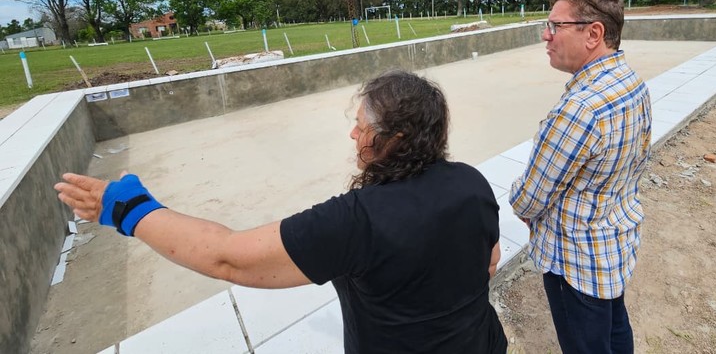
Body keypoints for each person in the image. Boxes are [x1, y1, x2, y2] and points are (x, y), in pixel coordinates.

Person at [56, 70, 508, 354]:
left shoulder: (356, 220)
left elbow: (226, 255)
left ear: (397, 140)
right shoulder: (470, 180)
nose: (354, 134)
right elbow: (488, 262)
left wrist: (130, 209)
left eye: (364, 127)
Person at [509, 0, 651, 354]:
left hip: (576, 261)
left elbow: (529, 198)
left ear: (594, 34)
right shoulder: (631, 83)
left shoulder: (580, 110)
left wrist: (521, 204)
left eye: (556, 26)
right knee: (615, 329)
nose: (546, 35)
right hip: (613, 243)